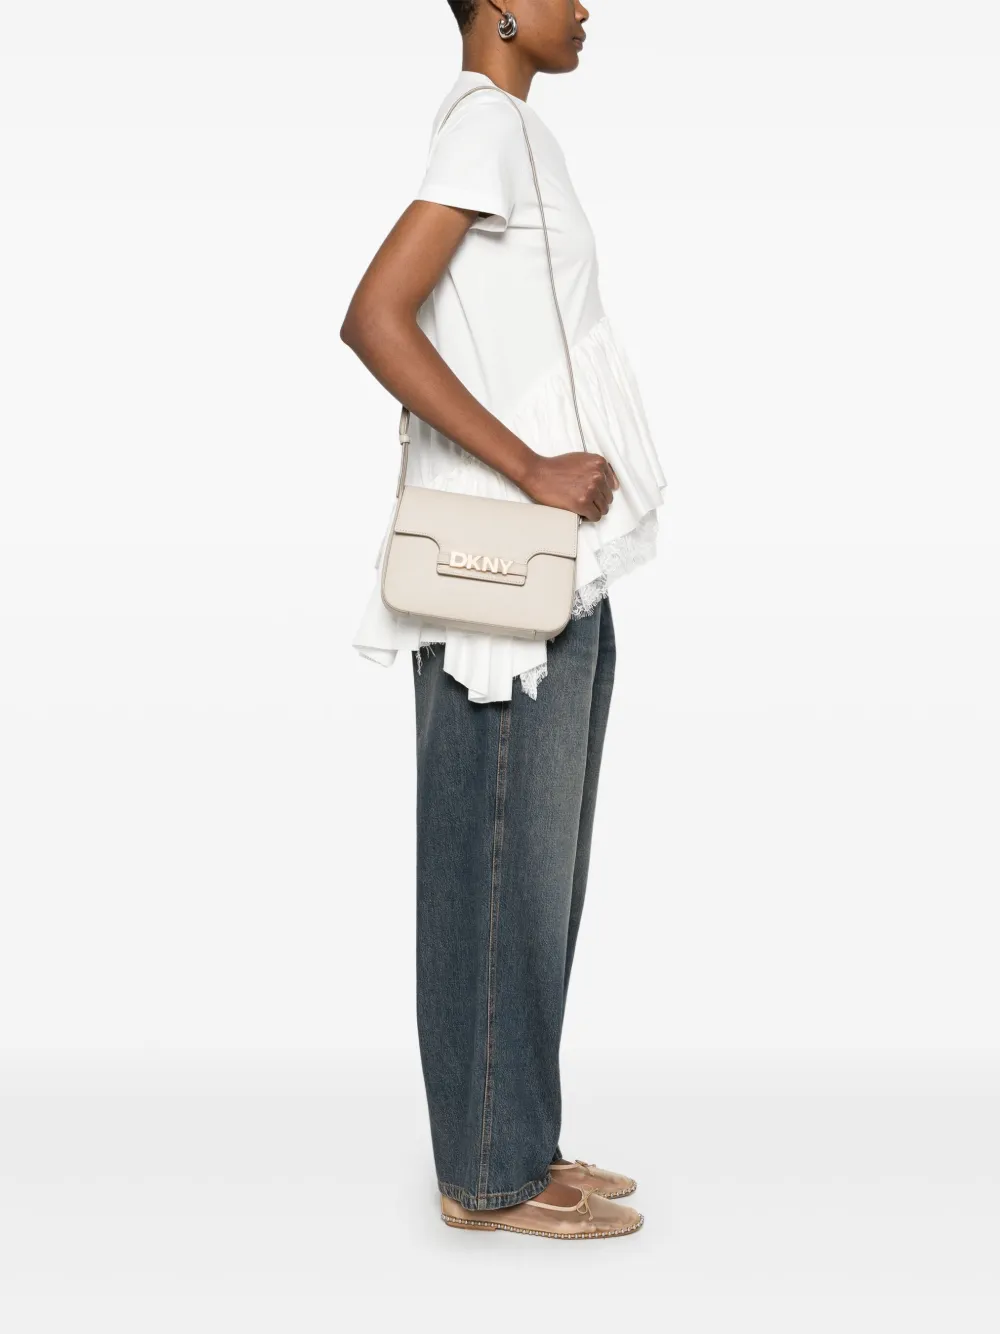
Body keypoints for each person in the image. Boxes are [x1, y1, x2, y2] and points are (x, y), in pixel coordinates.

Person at [341, 0, 667, 1240]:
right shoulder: (484, 126)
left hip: (549, 572)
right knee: (495, 872)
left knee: (529, 877)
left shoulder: (513, 133)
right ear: (498, 12)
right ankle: (489, 1171)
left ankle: (515, 1132)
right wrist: (531, 465)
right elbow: (375, 315)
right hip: (504, 584)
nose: (585, 8)